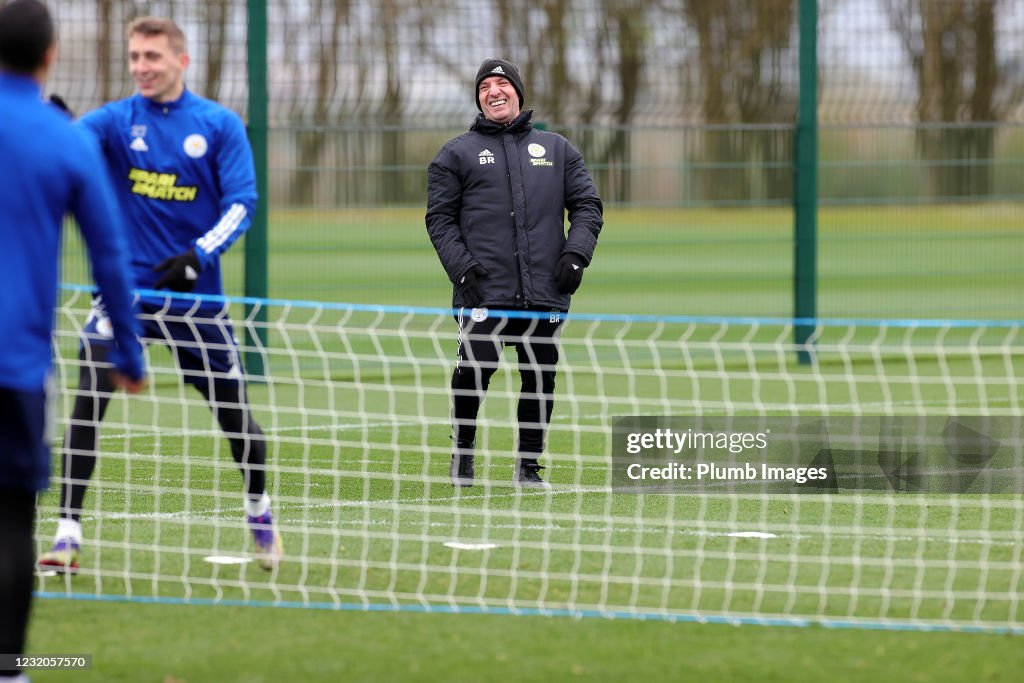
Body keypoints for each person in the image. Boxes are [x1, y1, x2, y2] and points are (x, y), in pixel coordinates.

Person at [38, 16, 283, 573]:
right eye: (135, 57)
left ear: (181, 60)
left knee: (237, 419)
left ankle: (259, 510)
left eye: (153, 57)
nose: (142, 67)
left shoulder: (218, 125)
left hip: (196, 302)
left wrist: (198, 255)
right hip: (124, 296)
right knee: (87, 399)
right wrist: (51, 129)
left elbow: (242, 202)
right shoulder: (116, 121)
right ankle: (67, 535)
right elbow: (73, 144)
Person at [0, 1, 146, 678]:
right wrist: (130, 353)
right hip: (16, 365)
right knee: (11, 520)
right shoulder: (66, 139)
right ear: (50, 55)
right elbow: (110, 259)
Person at [425, 58, 603, 488]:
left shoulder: (558, 149)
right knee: (474, 370)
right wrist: (463, 270)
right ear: (479, 98)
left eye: (502, 83)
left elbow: (587, 207)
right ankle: (463, 454)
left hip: (545, 290)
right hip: (482, 290)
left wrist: (576, 255)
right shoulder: (455, 153)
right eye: (485, 85)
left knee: (540, 377)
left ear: (518, 93)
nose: (494, 91)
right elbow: (440, 220)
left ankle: (528, 466)